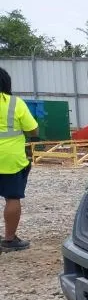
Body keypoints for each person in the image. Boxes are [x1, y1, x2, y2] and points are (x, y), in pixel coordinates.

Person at [0, 67, 38, 252]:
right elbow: (33, 130)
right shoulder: (15, 103)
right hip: (11, 160)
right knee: (12, 197)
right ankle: (9, 239)